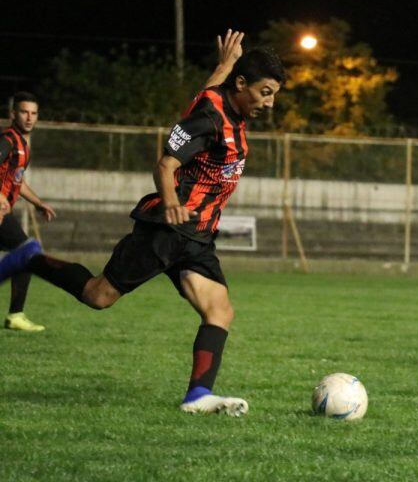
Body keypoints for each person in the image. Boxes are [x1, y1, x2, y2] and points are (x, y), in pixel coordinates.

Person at [0, 30, 285, 416]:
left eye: (274, 94)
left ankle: (198, 397)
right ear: (241, 85)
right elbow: (166, 164)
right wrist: (170, 203)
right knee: (98, 296)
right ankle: (29, 259)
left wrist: (225, 63)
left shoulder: (218, 100)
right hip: (167, 230)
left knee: (220, 311)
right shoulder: (209, 120)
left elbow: (210, 88)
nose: (270, 103)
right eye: (265, 92)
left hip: (197, 236)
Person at [0, 92, 57, 332]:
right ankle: (15, 314)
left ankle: (16, 314)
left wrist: (38, 202)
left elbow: (17, 181)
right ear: (13, 114)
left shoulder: (23, 145)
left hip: (4, 213)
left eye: (34, 113)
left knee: (26, 254)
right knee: (27, 252)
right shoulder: (8, 140)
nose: (29, 118)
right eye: (24, 112)